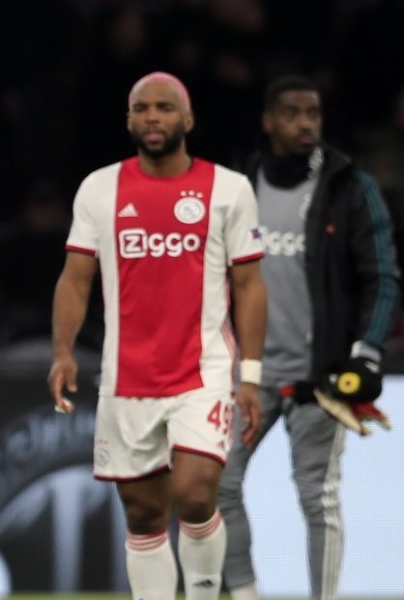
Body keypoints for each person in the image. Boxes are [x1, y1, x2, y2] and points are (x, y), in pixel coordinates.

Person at [49, 72, 267, 600]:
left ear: (187, 119)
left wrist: (251, 375)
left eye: (164, 108)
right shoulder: (99, 189)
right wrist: (62, 352)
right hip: (127, 378)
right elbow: (76, 278)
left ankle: (204, 591)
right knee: (144, 513)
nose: (152, 117)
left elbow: (248, 285)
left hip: (202, 372)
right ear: (128, 120)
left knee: (194, 495)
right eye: (142, 108)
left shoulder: (229, 189)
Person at [219, 75, 400, 600]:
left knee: (317, 497)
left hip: (321, 376)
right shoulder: (239, 185)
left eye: (313, 114)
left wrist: (366, 352)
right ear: (268, 122)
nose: (305, 123)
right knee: (217, 485)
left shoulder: (349, 186)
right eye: (292, 113)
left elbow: (383, 275)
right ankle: (244, 593)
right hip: (247, 374)